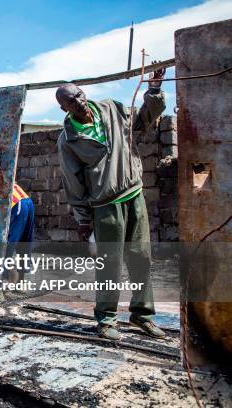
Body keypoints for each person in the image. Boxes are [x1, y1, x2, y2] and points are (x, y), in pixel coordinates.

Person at [55, 63, 167, 341]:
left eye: (79, 95)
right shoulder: (68, 140)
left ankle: (143, 316)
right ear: (64, 109)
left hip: (134, 194)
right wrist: (83, 220)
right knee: (109, 264)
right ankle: (106, 320)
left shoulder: (112, 109)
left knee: (141, 259)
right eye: (71, 101)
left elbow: (143, 121)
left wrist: (153, 90)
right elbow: (74, 183)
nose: (79, 102)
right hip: (105, 206)